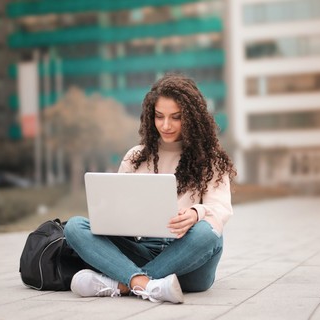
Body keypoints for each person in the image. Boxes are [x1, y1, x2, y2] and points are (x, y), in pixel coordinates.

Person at [64, 74, 236, 304]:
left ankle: (124, 283)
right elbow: (116, 208)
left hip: (189, 261)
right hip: (142, 248)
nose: (166, 125)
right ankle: (147, 286)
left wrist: (197, 213)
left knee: (210, 233)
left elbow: (221, 208)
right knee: (75, 226)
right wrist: (110, 215)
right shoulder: (136, 157)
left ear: (192, 118)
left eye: (176, 117)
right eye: (159, 116)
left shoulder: (210, 159)